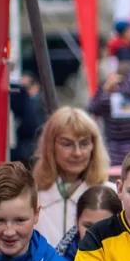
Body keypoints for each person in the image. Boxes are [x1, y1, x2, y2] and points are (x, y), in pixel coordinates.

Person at [33, 106, 109, 248]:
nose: (77, 153)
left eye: (84, 143)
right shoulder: (31, 198)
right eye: (67, 144)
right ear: (50, 147)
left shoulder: (112, 197)